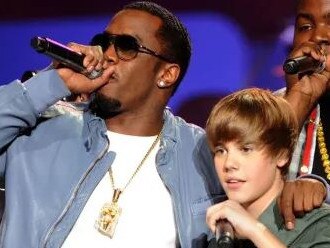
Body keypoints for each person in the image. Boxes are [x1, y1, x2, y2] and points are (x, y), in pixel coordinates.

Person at [0, 1, 327, 247]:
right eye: (104, 41)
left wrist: (310, 184)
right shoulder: (41, 131)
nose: (108, 54)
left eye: (126, 46)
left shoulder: (201, 152)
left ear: (167, 74)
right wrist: (53, 83)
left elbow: (262, 166)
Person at [205, 88, 330, 247]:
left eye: (246, 149)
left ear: (281, 155)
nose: (229, 164)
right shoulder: (220, 234)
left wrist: (255, 231)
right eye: (220, 151)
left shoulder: (319, 225)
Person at [278, 0, 330, 229]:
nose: (318, 37)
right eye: (305, 27)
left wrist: (324, 191)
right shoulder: (276, 107)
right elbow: (242, 177)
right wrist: (298, 98)